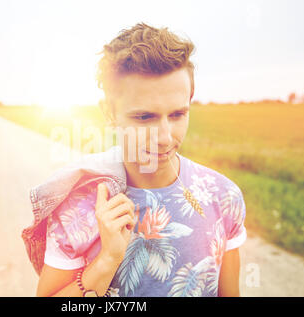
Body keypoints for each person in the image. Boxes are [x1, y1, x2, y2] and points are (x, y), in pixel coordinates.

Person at [36, 22, 247, 297]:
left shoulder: (223, 196)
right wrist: (107, 260)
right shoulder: (77, 207)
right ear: (110, 113)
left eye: (177, 115)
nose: (164, 136)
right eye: (144, 117)